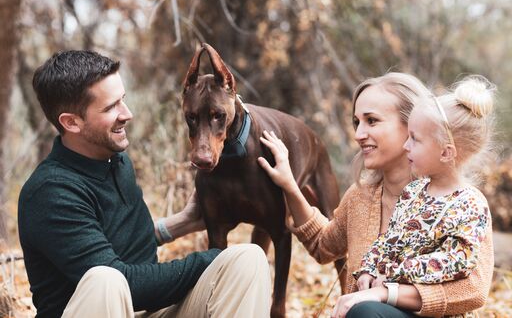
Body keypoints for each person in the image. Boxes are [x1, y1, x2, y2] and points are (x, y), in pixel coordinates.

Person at [18, 50, 271, 318]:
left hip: (147, 312)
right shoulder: (50, 193)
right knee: (107, 280)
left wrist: (181, 223)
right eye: (110, 107)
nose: (127, 114)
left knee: (248, 259)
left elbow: (118, 245)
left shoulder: (116, 161)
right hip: (98, 308)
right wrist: (213, 258)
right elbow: (125, 283)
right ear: (72, 122)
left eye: (122, 100)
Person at [257, 73, 494, 318]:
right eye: (356, 122)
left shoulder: (464, 202)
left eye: (372, 121)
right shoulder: (363, 196)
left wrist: (387, 292)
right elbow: (323, 245)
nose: (359, 134)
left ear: (412, 125)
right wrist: (289, 185)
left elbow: (473, 290)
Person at [353, 76, 493, 293]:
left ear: (446, 152)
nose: (406, 145)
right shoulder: (413, 192)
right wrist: (368, 269)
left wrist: (393, 274)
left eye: (414, 139)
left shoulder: (470, 204)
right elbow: (390, 241)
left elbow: (454, 261)